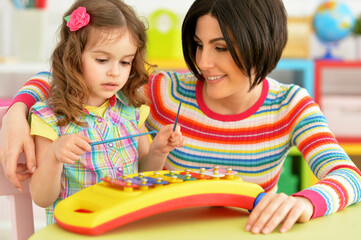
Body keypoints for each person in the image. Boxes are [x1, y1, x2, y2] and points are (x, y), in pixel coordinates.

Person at [1, 0, 360, 234]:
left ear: (260, 44)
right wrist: (19, 109)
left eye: (220, 48)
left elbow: (349, 177)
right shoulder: (164, 91)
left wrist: (302, 200)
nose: (203, 63)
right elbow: (73, 78)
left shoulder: (291, 104)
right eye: (198, 45)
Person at [18, 0, 185, 224]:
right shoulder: (49, 117)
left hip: (127, 227)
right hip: (77, 231)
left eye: (125, 62)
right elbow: (42, 198)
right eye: (102, 60)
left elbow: (144, 178)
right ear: (73, 57)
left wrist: (158, 151)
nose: (115, 72)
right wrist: (55, 156)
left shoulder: (130, 111)